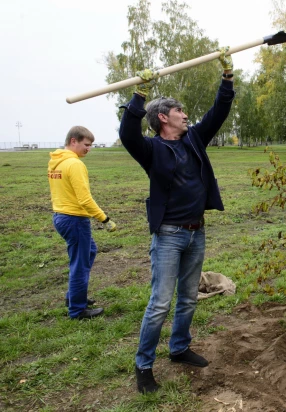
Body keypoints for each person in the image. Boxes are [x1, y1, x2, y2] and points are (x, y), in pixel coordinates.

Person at [118, 49, 235, 394]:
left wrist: (227, 77)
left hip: (196, 232)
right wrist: (139, 94)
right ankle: (143, 365)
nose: (186, 115)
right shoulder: (152, 149)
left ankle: (179, 347)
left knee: (188, 297)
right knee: (160, 303)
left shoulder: (194, 139)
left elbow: (219, 112)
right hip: (168, 236)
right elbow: (127, 133)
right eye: (179, 111)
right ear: (162, 119)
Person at [48, 126, 117, 320]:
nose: (89, 149)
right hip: (74, 219)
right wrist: (105, 219)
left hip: (60, 217)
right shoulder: (74, 164)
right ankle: (77, 309)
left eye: (91, 145)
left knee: (88, 252)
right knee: (80, 263)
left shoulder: (56, 162)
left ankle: (73, 297)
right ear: (73, 141)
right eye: (86, 145)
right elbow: (84, 199)